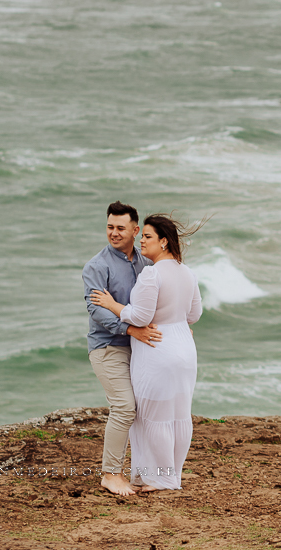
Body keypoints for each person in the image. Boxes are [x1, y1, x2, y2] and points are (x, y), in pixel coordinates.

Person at [90, 213, 203, 492]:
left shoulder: (151, 272)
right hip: (185, 350)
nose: (142, 242)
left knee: (151, 417)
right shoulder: (187, 272)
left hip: (157, 349)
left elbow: (139, 316)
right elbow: (195, 314)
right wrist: (176, 321)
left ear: (164, 242)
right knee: (177, 416)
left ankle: (157, 478)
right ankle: (169, 475)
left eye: (147, 237)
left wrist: (113, 304)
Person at [83, 201, 164, 497]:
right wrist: (131, 329)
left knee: (144, 410)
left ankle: (143, 475)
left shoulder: (147, 265)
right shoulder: (96, 266)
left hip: (140, 348)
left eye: (120, 228)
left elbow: (158, 303)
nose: (114, 233)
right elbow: (96, 310)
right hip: (108, 347)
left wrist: (175, 324)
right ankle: (110, 474)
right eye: (109, 227)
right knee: (124, 407)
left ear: (135, 230)